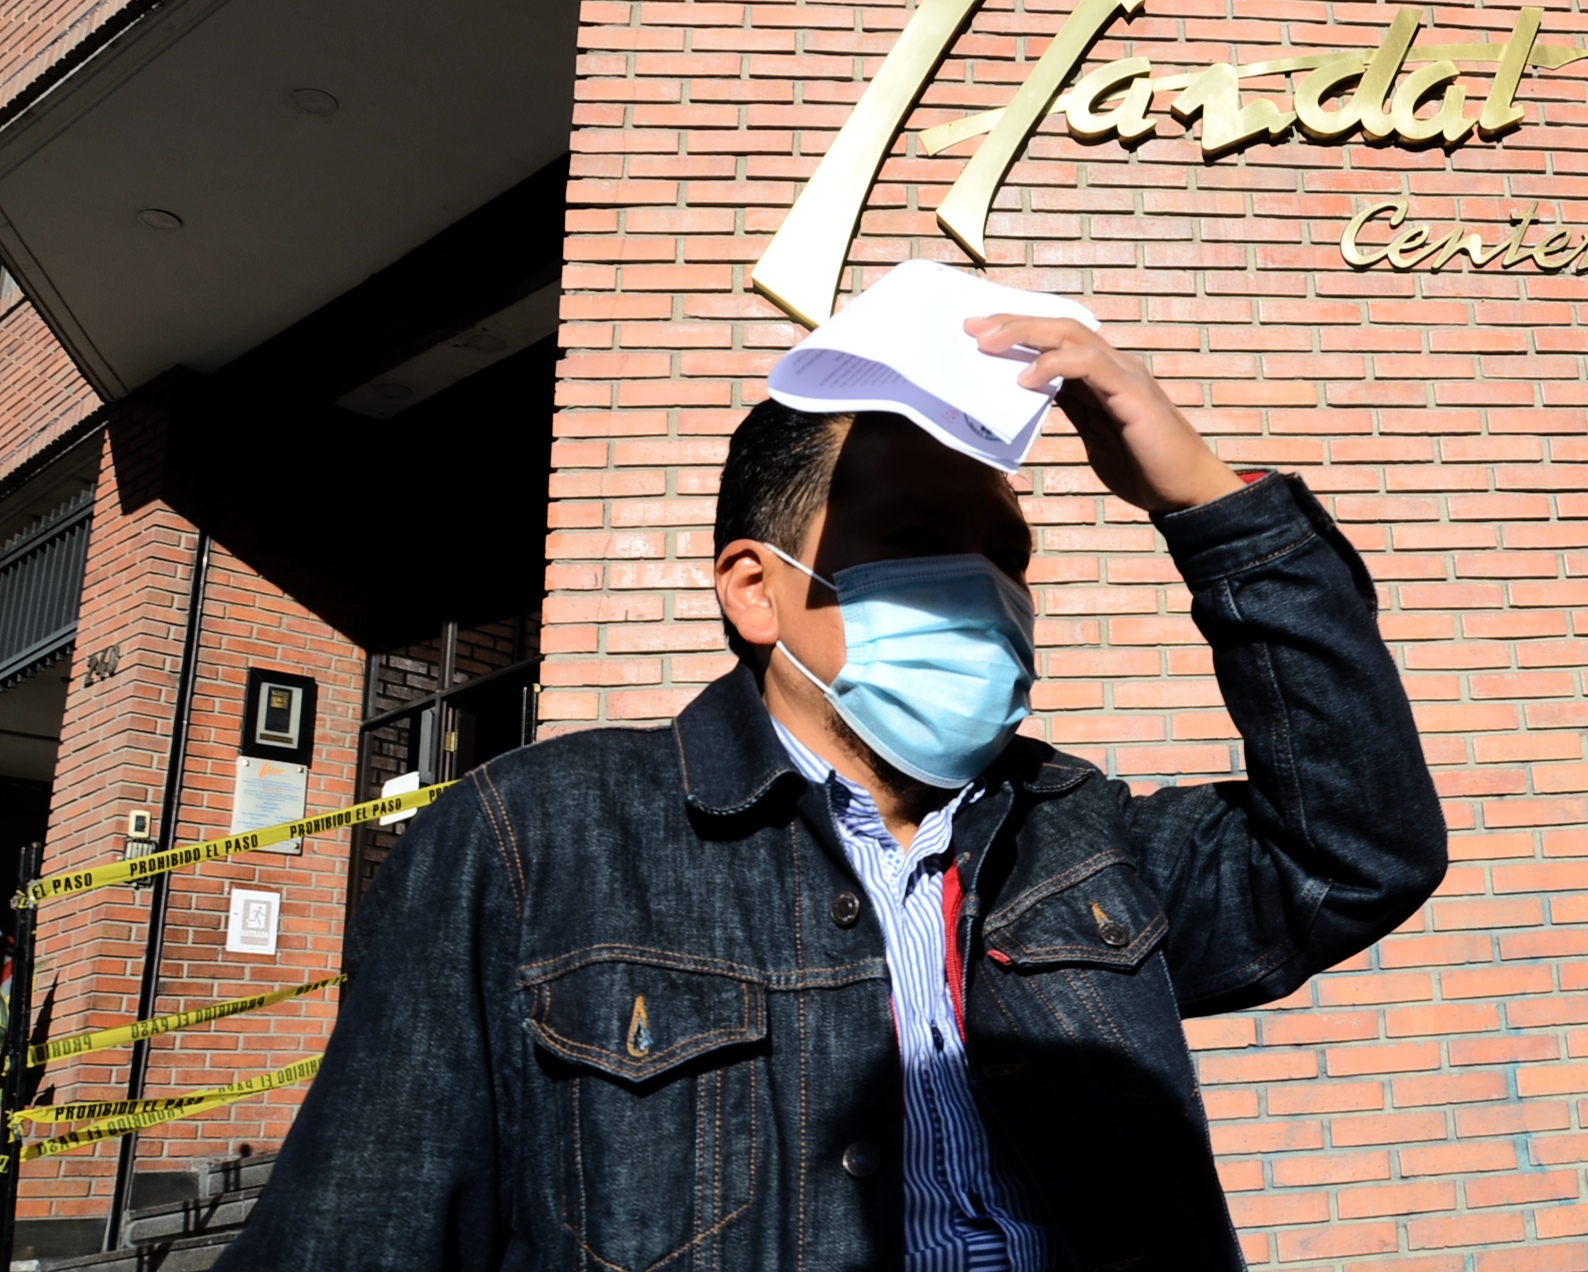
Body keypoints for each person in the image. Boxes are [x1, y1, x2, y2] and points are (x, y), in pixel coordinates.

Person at [223, 313, 1447, 1271]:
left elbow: (1355, 851)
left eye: (1004, 556)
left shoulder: (1078, 829)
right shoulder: (532, 840)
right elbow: (361, 1227)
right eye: (914, 538)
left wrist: (1208, 503)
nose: (981, 587)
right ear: (756, 590)